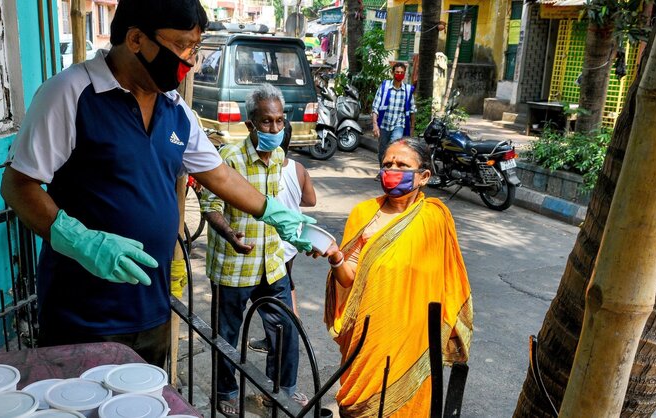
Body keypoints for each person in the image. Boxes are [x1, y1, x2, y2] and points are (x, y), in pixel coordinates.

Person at [0, 0, 315, 370]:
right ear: (135, 39)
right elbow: (18, 186)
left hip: (152, 309)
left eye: (194, 48)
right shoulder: (70, 93)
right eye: (182, 46)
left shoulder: (175, 108)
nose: (190, 60)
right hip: (83, 315)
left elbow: (221, 176)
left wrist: (276, 214)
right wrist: (81, 241)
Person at [320, 138, 473, 417]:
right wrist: (335, 257)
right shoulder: (364, 214)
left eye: (403, 165)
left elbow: (450, 280)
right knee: (362, 405)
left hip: (415, 340)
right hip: (370, 338)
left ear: (424, 176)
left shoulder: (436, 218)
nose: (392, 170)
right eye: (387, 164)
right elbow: (348, 278)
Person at [200, 84, 309, 417]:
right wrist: (230, 233)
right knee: (227, 335)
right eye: (266, 122)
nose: (275, 129)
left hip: (271, 263)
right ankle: (227, 391)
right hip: (235, 263)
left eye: (279, 121)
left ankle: (281, 390)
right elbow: (209, 204)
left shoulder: (278, 157)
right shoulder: (229, 158)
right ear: (250, 125)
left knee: (285, 329)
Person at [249, 123, 317, 353]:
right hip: (293, 241)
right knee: (287, 284)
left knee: (276, 295)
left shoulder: (265, 170)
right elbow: (311, 201)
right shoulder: (298, 169)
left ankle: (285, 336)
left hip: (273, 241)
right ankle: (288, 331)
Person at [371, 63, 417, 168]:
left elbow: (412, 110)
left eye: (402, 72)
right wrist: (375, 125)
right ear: (392, 73)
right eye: (397, 72)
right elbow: (375, 107)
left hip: (399, 125)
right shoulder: (384, 87)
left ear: (404, 74)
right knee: (383, 150)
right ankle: (382, 170)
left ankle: (390, 171)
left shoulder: (408, 90)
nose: (399, 74)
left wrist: (412, 127)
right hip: (384, 124)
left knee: (393, 147)